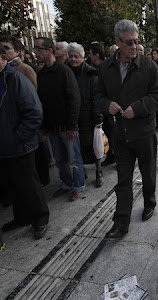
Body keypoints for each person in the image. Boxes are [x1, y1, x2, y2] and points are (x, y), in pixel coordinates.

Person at [95, 19, 158, 238]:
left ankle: (149, 203)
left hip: (143, 132)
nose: (134, 46)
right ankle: (121, 222)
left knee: (148, 174)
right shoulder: (106, 68)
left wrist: (138, 108)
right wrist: (107, 105)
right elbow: (97, 96)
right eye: (129, 43)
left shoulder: (149, 66)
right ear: (117, 42)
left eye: (136, 42)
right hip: (120, 134)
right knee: (123, 180)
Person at [0, 44, 49, 239]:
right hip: (4, 147)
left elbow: (34, 113)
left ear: (3, 58)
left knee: (29, 185)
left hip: (20, 145)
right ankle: (21, 217)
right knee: (13, 186)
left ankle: (40, 218)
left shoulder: (16, 79)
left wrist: (16, 138)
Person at [34, 37, 85, 202]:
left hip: (67, 126)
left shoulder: (64, 71)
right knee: (60, 160)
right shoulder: (41, 74)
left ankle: (78, 186)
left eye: (38, 49)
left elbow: (74, 99)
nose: (36, 53)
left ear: (49, 51)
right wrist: (43, 125)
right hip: (52, 126)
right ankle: (66, 184)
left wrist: (72, 124)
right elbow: (42, 100)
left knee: (74, 159)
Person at [67, 42, 104, 187]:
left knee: (95, 147)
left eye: (76, 56)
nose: (73, 59)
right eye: (71, 56)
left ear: (83, 58)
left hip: (89, 116)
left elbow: (96, 97)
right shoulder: (67, 72)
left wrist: (98, 118)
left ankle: (99, 171)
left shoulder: (91, 73)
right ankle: (81, 172)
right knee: (78, 147)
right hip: (74, 117)